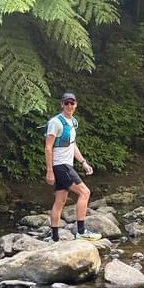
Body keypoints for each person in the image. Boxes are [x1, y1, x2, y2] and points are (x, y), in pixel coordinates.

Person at [45, 92, 102, 242]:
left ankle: (55, 238)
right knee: (85, 192)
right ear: (61, 104)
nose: (69, 106)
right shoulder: (55, 122)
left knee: (60, 200)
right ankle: (81, 232)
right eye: (66, 103)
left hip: (66, 165)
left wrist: (83, 162)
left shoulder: (73, 122)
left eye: (72, 103)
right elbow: (48, 148)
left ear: (76, 104)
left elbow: (72, 144)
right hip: (60, 166)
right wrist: (49, 171)